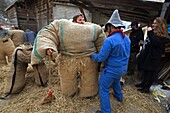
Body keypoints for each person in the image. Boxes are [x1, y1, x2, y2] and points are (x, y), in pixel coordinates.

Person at [31, 14, 106, 98]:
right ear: (74, 20)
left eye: (82, 20)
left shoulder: (94, 28)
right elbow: (48, 34)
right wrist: (48, 47)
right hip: (67, 59)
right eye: (79, 20)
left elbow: (101, 43)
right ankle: (70, 93)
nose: (82, 22)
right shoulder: (62, 25)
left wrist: (103, 58)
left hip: (88, 58)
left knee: (89, 80)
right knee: (68, 81)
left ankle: (88, 94)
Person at [90, 10, 131, 113]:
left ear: (111, 27)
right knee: (116, 81)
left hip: (111, 70)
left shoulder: (109, 40)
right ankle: (120, 97)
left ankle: (106, 111)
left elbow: (101, 58)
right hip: (123, 68)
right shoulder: (127, 38)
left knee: (103, 89)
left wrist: (92, 56)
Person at [136, 17, 169, 93]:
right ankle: (143, 84)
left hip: (154, 57)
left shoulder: (163, 36)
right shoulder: (154, 33)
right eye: (153, 23)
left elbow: (155, 42)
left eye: (155, 23)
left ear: (160, 25)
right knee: (145, 70)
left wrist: (150, 33)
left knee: (150, 72)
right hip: (147, 54)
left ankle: (146, 88)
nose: (153, 24)